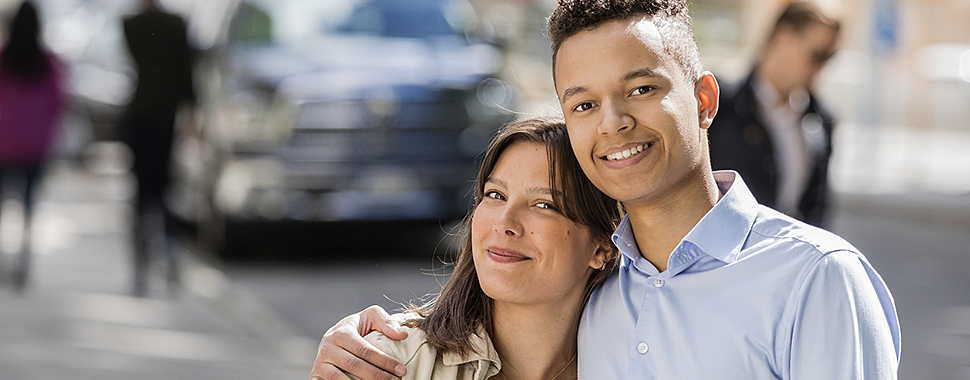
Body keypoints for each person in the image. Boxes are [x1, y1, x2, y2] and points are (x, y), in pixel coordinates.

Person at [310, 1, 901, 379]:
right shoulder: (591, 289)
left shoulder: (816, 278)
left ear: (703, 101)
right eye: (584, 104)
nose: (612, 122)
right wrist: (356, 350)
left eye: (641, 89)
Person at [310, 117, 621, 380]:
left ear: (602, 247)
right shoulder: (387, 361)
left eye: (544, 204)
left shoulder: (637, 364)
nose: (504, 222)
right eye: (495, 195)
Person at [708, 0, 841, 227]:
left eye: (829, 57)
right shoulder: (722, 106)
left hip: (787, 255)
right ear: (784, 36)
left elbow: (816, 208)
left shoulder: (819, 119)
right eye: (816, 54)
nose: (821, 68)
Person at [120, 0, 196, 296]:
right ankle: (169, 263)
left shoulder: (131, 24)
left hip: (140, 116)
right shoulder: (175, 24)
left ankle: (141, 268)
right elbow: (187, 70)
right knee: (164, 192)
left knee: (142, 194)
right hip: (165, 116)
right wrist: (191, 111)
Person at [0, 0, 66, 291]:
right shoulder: (48, 62)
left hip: (4, 142)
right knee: (28, 206)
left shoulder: (3, 59)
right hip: (36, 143)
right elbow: (58, 104)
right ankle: (23, 261)